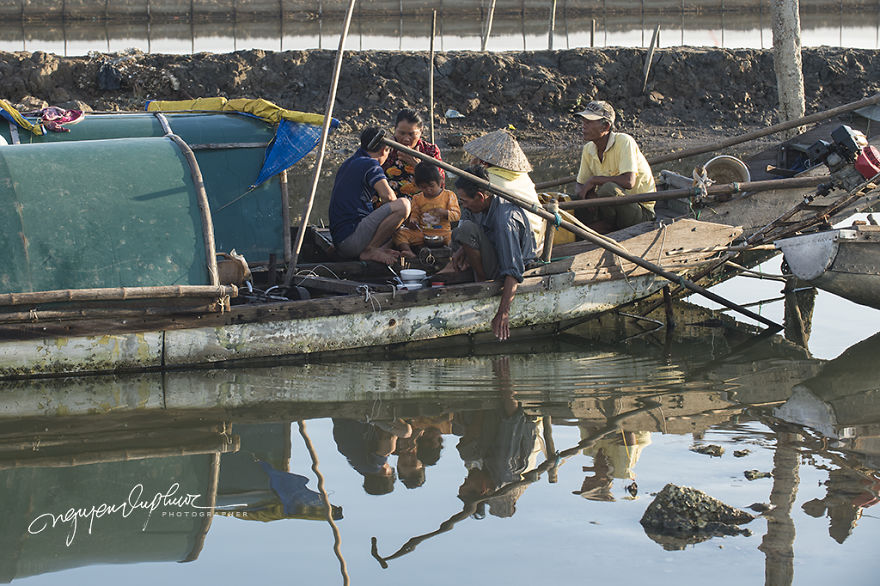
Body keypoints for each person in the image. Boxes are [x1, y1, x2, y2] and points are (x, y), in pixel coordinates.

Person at [446, 166, 539, 341]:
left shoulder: (505, 220)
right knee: (460, 232)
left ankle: (481, 281)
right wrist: (461, 249)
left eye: (465, 201)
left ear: (480, 197)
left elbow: (513, 271)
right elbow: (468, 224)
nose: (463, 205)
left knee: (465, 230)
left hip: (506, 268)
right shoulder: (478, 205)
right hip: (492, 253)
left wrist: (503, 312)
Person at [329, 126, 411, 265]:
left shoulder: (350, 161)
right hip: (350, 240)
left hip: (342, 239)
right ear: (384, 150)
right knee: (403, 206)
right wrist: (404, 218)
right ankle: (371, 250)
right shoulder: (370, 163)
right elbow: (389, 197)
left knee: (397, 229)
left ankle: (378, 249)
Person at [573, 100, 656, 232]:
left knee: (608, 189)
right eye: (583, 121)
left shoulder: (624, 141)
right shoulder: (588, 149)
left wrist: (594, 180)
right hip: (612, 209)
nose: (583, 126)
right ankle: (598, 226)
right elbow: (580, 185)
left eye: (588, 122)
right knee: (574, 200)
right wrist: (589, 195)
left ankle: (607, 228)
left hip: (641, 211)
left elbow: (629, 182)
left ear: (606, 126)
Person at [463, 129, 545, 252]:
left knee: (468, 213)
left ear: (484, 162)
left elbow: (468, 187)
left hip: (519, 242)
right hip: (538, 238)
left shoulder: (486, 179)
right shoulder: (522, 175)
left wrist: (473, 165)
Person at [392, 162, 461, 258]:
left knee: (454, 237)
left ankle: (453, 254)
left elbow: (457, 215)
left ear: (440, 181)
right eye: (424, 187)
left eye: (431, 186)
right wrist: (413, 221)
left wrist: (444, 213)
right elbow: (415, 213)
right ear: (418, 186)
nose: (428, 190)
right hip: (422, 233)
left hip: (443, 233)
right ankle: (408, 252)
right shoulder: (417, 198)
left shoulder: (449, 195)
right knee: (399, 233)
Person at [382, 108, 443, 197]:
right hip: (389, 204)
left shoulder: (430, 151)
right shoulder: (385, 148)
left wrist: (417, 165)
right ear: (395, 130)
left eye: (411, 134)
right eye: (402, 133)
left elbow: (440, 185)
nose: (406, 139)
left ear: (421, 132)